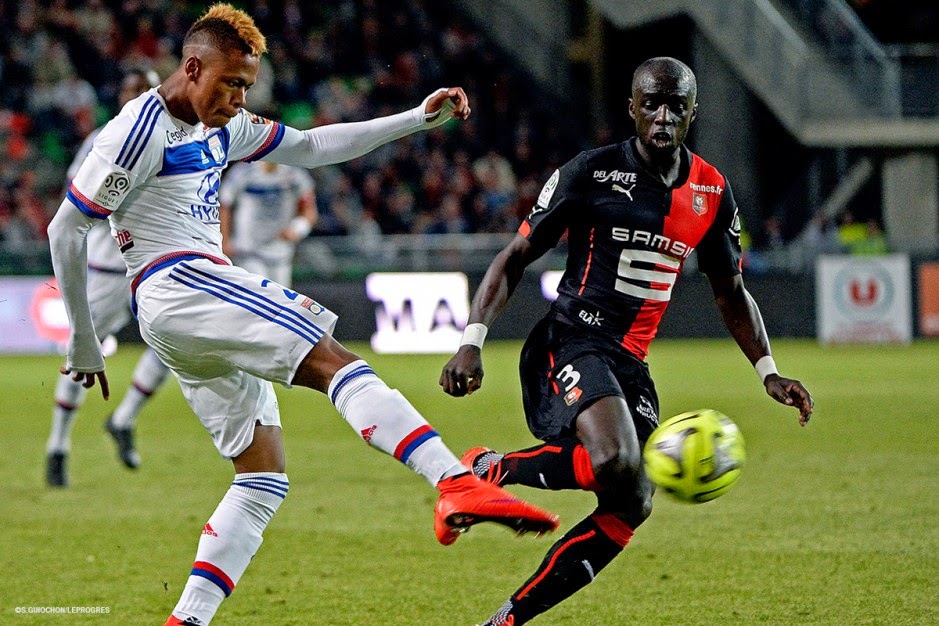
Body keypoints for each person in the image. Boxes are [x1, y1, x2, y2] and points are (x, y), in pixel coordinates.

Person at [45, 5, 558, 625]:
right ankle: (453, 480)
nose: (238, 99)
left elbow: (313, 147)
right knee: (330, 356)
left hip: (183, 313)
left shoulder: (223, 127)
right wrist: (84, 340)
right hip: (180, 283)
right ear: (191, 66)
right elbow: (66, 227)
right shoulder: (138, 130)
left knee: (261, 478)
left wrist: (414, 120)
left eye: (246, 87)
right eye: (229, 83)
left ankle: (188, 619)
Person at [440, 57, 815, 626]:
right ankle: (488, 473)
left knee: (633, 498)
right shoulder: (590, 172)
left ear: (693, 113)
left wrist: (768, 370)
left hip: (630, 363)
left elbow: (730, 290)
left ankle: (507, 617)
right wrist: (472, 340)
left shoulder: (711, 191)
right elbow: (515, 256)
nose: (663, 116)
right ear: (632, 108)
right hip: (568, 340)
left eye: (676, 106)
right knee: (617, 456)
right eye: (652, 103)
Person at [45, 68, 170, 487]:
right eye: (132, 89)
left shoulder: (176, 135)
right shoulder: (105, 137)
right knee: (81, 356)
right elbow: (75, 200)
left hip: (158, 265)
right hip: (110, 269)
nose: (139, 96)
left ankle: (123, 418)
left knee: (178, 345)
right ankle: (58, 446)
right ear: (121, 95)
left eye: (145, 88)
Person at [218, 160, 317, 288]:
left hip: (280, 251)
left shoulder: (295, 173)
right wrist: (224, 241)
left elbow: (310, 210)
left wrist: (298, 229)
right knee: (258, 297)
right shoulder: (243, 171)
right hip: (248, 250)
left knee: (282, 301)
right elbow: (224, 203)